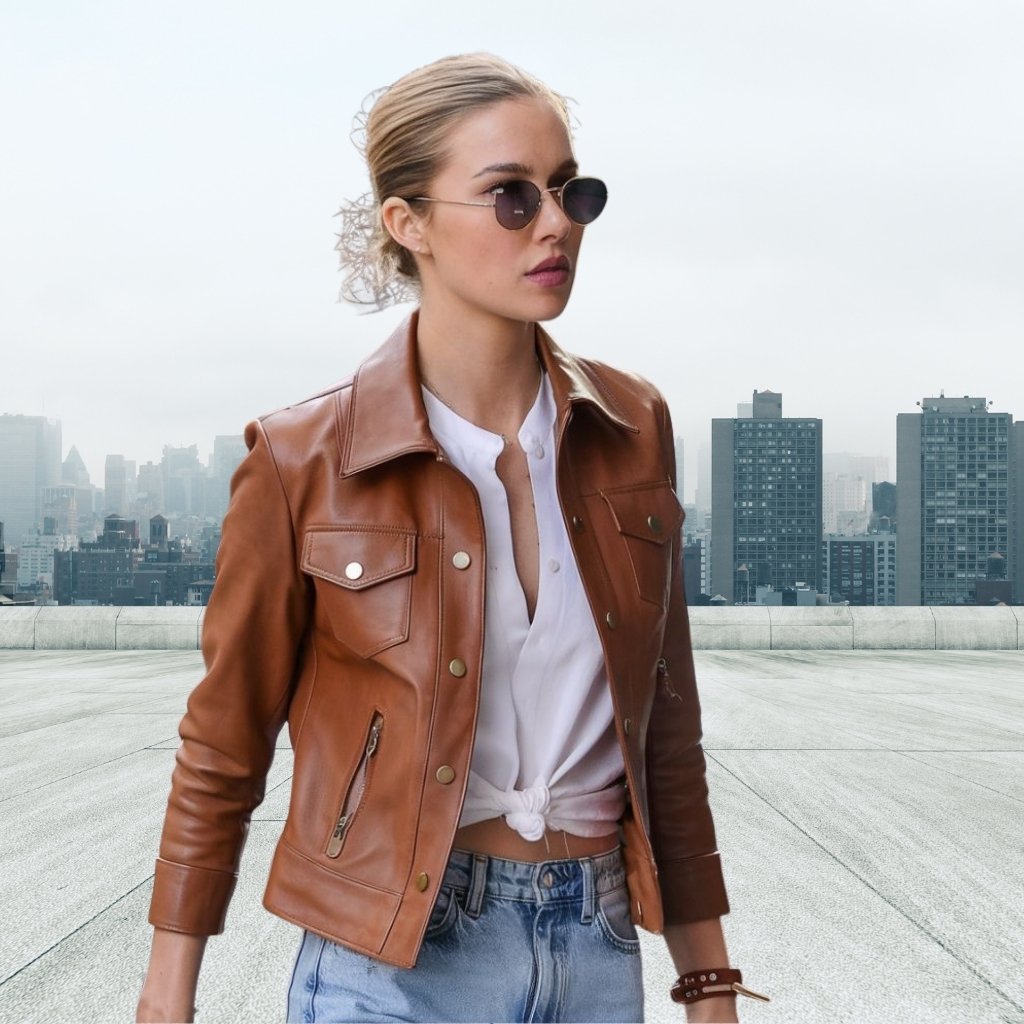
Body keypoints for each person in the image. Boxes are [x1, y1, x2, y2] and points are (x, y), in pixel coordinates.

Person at [136, 52, 768, 1024]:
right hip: (392, 964)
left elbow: (665, 733)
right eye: (510, 197)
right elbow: (224, 741)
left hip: (595, 949)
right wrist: (166, 998)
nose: (555, 222)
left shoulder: (633, 425)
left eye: (570, 191)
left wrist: (708, 982)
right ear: (409, 222)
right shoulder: (303, 457)